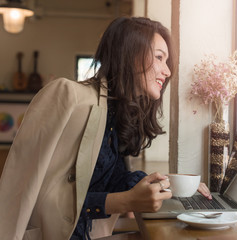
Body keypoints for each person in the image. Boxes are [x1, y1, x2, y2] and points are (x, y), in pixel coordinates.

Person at [0, 17, 211, 240]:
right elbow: (28, 193)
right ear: (130, 54)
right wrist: (125, 201)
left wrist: (173, 187)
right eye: (160, 57)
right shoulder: (66, 94)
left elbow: (115, 181)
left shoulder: (119, 114)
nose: (167, 71)